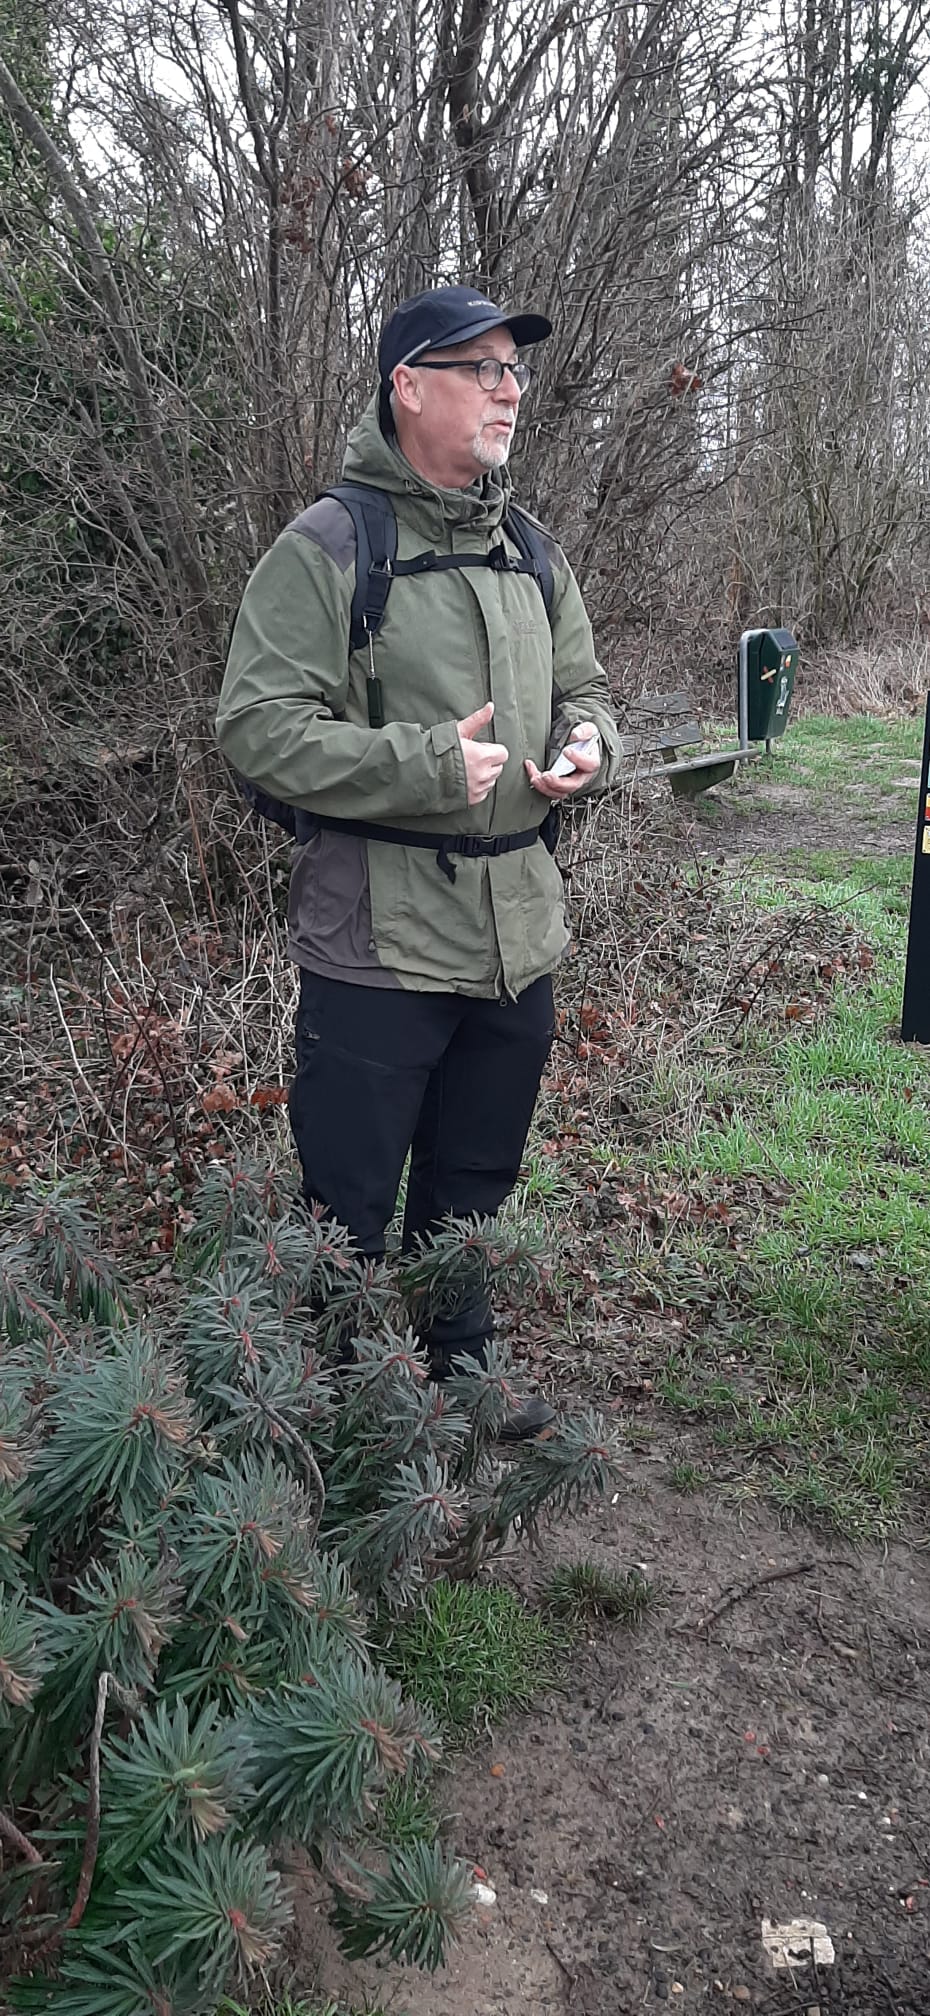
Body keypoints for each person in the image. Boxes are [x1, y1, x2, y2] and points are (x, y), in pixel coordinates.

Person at [216, 284, 620, 1435]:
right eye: (480, 368)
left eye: (513, 371)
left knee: (476, 1176)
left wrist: (592, 744)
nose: (508, 391)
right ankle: (336, 1414)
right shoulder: (331, 546)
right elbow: (256, 728)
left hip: (517, 933)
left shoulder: (530, 549)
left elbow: (590, 687)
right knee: (346, 1201)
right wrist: (426, 765)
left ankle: (462, 1371)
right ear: (407, 386)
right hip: (375, 941)